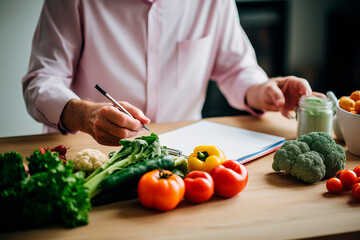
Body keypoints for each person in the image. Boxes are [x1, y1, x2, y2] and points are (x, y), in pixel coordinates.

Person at [22, 0, 312, 146]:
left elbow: (236, 67)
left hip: (183, 157)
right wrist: (84, 114)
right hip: (88, 152)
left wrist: (264, 90)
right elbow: (42, 79)